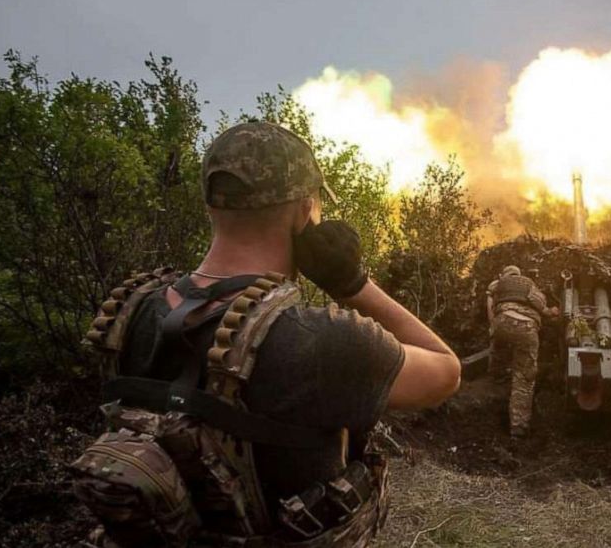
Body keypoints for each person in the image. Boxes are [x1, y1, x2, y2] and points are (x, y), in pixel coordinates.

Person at [72, 121, 461, 547]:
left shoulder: (130, 312)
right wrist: (353, 285)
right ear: (303, 213)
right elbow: (445, 370)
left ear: (211, 207)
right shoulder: (323, 341)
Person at [486, 265, 558, 437]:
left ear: (503, 274)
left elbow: (489, 303)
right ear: (519, 274)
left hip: (501, 321)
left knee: (498, 349)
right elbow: (541, 305)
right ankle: (518, 426)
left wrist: (493, 325)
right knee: (524, 376)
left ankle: (496, 376)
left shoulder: (497, 284)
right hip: (526, 327)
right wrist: (552, 311)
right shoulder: (527, 283)